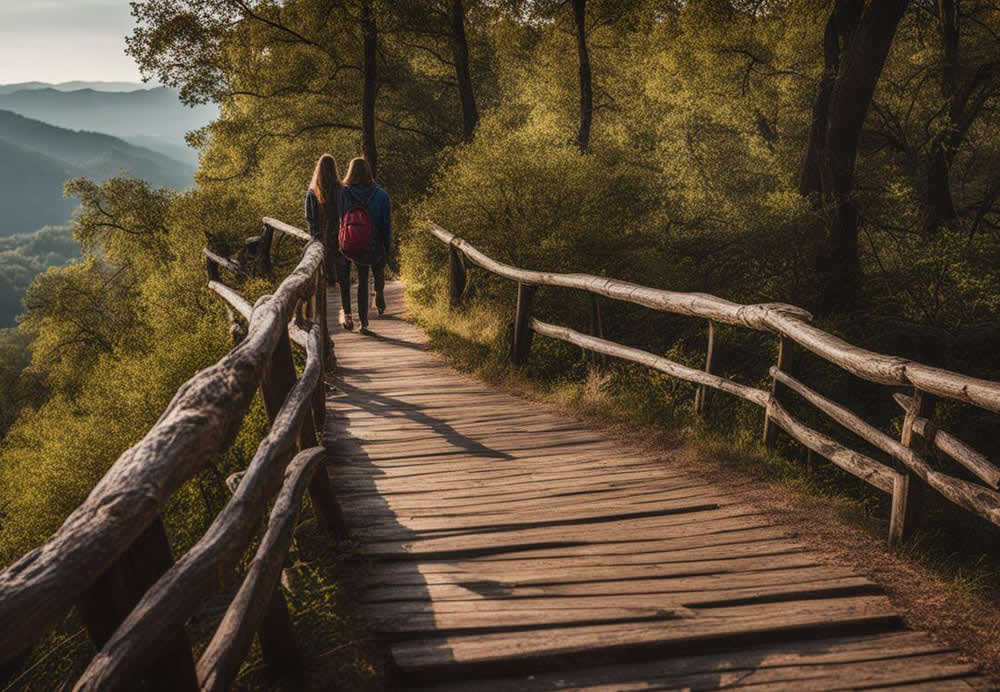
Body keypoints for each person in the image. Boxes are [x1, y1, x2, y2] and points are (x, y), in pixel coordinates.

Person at [338, 157, 391, 332]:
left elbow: (340, 218)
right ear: (369, 171)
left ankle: (357, 319)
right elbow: (386, 225)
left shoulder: (343, 193)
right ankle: (377, 297)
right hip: (373, 243)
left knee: (355, 279)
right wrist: (386, 247)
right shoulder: (382, 195)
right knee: (371, 273)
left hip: (351, 243)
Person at [304, 153, 355, 329]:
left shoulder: (312, 193)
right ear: (334, 170)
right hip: (341, 241)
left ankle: (319, 323)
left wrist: (316, 239)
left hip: (320, 244)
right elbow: (347, 215)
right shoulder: (343, 191)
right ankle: (347, 314)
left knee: (320, 282)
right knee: (344, 280)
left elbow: (310, 219)